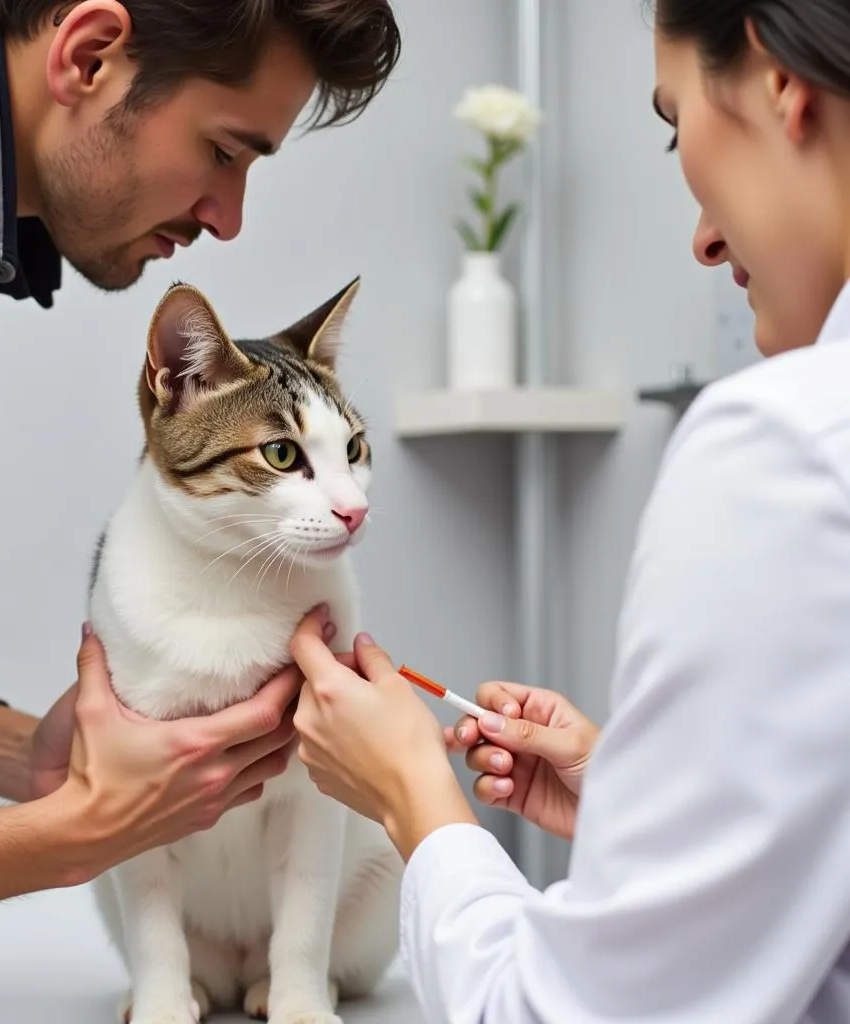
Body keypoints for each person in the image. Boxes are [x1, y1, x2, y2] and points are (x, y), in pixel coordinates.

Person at [289, 1, 850, 1020]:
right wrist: (645, 804)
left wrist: (414, 799)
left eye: (675, 124)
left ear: (776, 81)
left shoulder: (789, 451)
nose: (703, 238)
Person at [0, 0, 400, 967]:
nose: (229, 218)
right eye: (225, 153)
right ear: (89, 56)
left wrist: (27, 758)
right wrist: (70, 836)